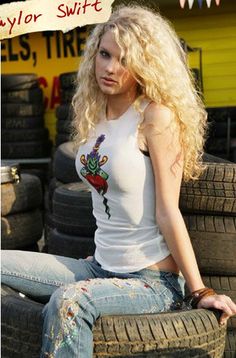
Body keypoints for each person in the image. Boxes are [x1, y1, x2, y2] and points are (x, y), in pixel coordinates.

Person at [1, 4, 236, 358]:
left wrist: (200, 290)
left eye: (124, 60)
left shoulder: (155, 116)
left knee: (69, 303)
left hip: (151, 281)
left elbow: (168, 212)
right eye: (105, 54)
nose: (110, 68)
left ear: (145, 65)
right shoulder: (94, 117)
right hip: (97, 268)